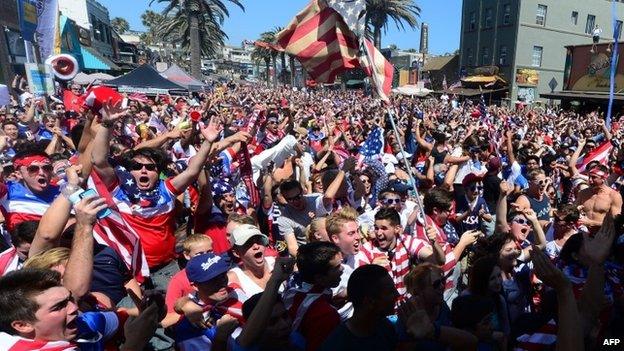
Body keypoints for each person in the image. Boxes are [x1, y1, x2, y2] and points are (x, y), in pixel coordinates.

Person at [0, 268, 160, 350]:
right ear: (23, 325)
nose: (74, 308)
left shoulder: (85, 324)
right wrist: (134, 345)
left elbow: (127, 322)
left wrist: (150, 310)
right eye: (58, 306)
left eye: (69, 299)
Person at [357, 207, 444, 297]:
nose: (378, 233)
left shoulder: (406, 242)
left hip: (407, 305)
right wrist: (371, 270)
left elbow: (439, 261)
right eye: (376, 228)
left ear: (397, 229)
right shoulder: (367, 250)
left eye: (384, 228)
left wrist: (434, 242)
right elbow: (360, 287)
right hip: (383, 308)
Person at [283, 242, 343, 351]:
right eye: (337, 267)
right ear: (320, 278)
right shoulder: (326, 314)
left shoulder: (291, 291)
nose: (342, 269)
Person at [163, 234, 214, 328]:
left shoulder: (219, 270)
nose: (206, 257)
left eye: (210, 251)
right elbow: (167, 318)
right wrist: (190, 313)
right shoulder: (178, 280)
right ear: (186, 255)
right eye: (199, 254)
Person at [276, 179, 329, 256]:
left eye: (298, 197)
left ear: (303, 192)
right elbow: (293, 249)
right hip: (308, 253)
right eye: (290, 199)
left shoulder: (316, 200)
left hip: (328, 244)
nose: (295, 201)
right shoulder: (284, 218)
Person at [227, 224, 275, 296]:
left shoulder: (275, 264)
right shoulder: (233, 279)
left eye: (259, 241)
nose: (256, 246)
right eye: (248, 243)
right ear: (237, 253)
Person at [575, 165, 622, 232]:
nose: (590, 180)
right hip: (583, 235)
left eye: (594, 177)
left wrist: (592, 223)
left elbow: (616, 222)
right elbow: (573, 212)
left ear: (603, 178)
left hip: (603, 236)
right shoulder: (583, 193)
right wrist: (575, 211)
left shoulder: (614, 196)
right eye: (589, 177)